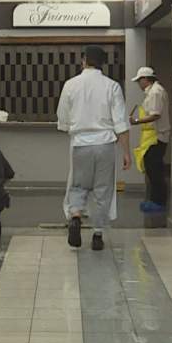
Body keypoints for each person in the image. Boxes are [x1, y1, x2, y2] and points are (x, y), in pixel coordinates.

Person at [56, 45, 130, 251]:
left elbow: (62, 118)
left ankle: (76, 216)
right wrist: (126, 152)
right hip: (106, 144)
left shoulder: (71, 85)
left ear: (84, 61)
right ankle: (97, 235)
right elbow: (121, 123)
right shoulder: (112, 86)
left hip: (80, 144)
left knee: (78, 185)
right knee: (102, 190)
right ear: (102, 63)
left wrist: (74, 127)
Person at [130, 66, 171, 211]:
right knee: (152, 168)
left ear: (145, 79)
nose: (138, 84)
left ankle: (158, 202)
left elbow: (155, 115)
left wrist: (136, 121)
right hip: (153, 137)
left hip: (157, 137)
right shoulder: (154, 91)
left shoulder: (155, 92)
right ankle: (155, 200)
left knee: (155, 170)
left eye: (139, 81)